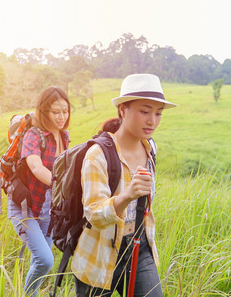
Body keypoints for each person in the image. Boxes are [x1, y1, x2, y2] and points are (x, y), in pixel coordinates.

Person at [72, 74, 177, 297]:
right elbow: (94, 215)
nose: (152, 121)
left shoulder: (150, 148)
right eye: (144, 111)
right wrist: (127, 195)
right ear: (122, 109)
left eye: (158, 113)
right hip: (99, 253)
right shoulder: (98, 155)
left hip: (140, 247)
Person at [8, 86, 70, 296]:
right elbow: (36, 167)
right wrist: (60, 184)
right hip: (23, 207)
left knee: (40, 263)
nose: (62, 117)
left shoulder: (65, 136)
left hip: (49, 209)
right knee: (45, 260)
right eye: (56, 112)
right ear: (44, 112)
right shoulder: (34, 135)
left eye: (65, 111)